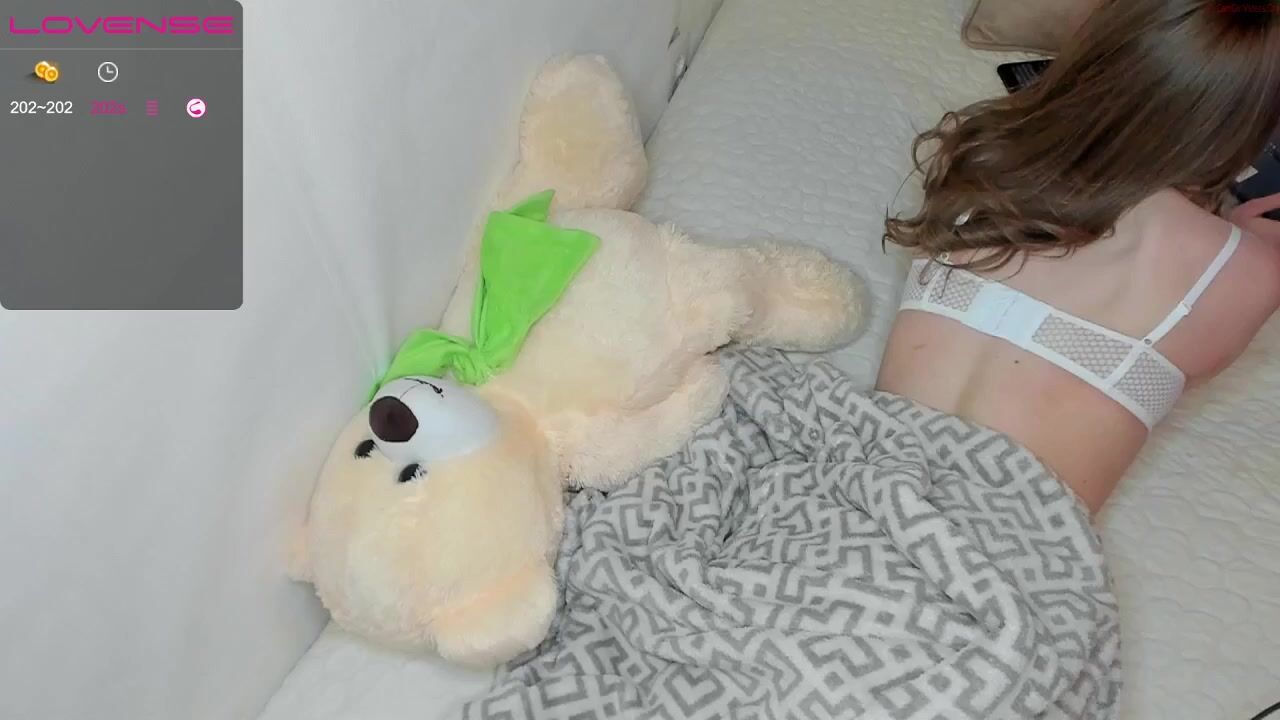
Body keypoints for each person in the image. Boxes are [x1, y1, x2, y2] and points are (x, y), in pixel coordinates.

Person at [879, 0, 1280, 514]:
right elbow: (1188, 356)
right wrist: (1238, 246)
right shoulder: (1245, 272)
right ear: (1248, 131)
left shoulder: (975, 152)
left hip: (861, 484)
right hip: (998, 544)